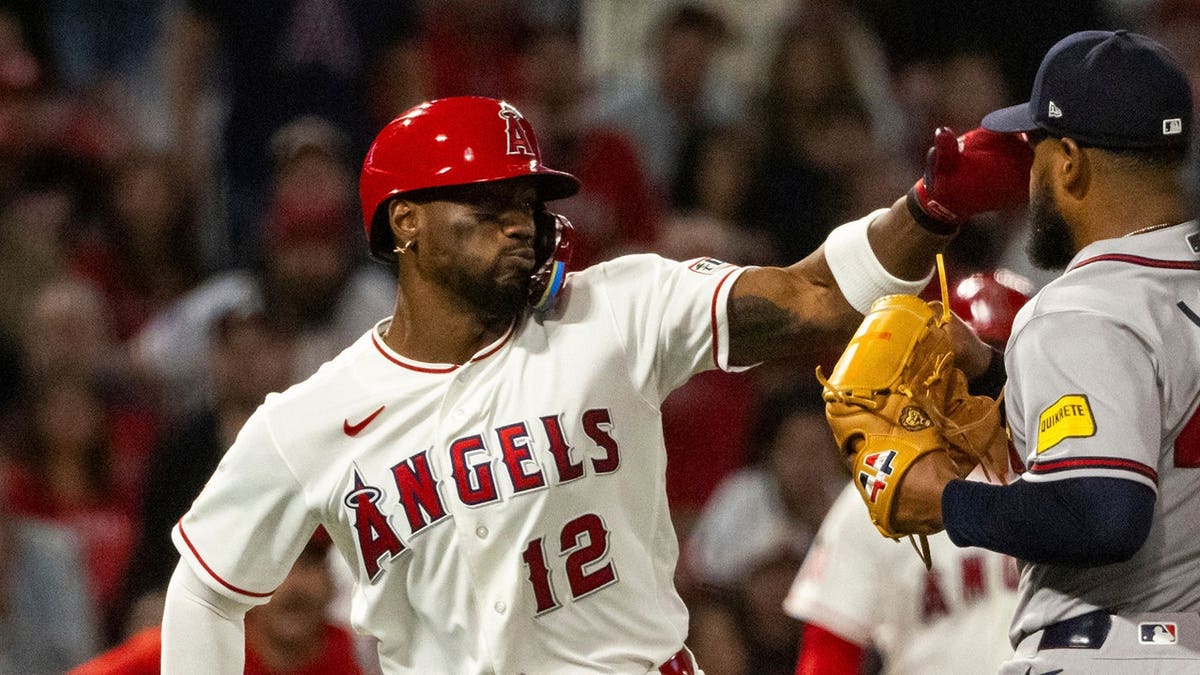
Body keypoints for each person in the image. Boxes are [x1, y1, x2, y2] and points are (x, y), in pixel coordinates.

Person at [159, 95, 1028, 672]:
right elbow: (205, 583)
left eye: (530, 202)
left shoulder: (617, 308)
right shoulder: (310, 419)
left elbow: (810, 294)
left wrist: (929, 209)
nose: (522, 223)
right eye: (490, 201)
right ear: (405, 221)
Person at [882, 30, 1200, 673]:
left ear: (1070, 163)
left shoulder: (1081, 308)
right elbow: (1150, 415)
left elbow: (1104, 516)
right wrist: (999, 374)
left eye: (1033, 152)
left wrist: (943, 498)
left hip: (1112, 656)